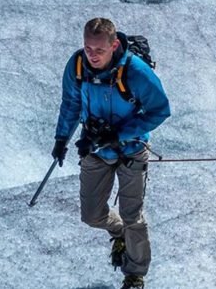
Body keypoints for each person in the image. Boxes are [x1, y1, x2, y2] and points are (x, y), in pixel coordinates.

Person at [52, 18, 171, 289]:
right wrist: (61, 138)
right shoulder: (77, 65)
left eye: (99, 50)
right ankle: (119, 233)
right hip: (94, 148)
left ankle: (135, 275)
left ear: (114, 44)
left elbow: (160, 110)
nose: (92, 55)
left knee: (133, 215)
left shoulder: (136, 72)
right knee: (91, 215)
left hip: (131, 150)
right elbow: (70, 103)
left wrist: (120, 134)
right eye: (87, 48)